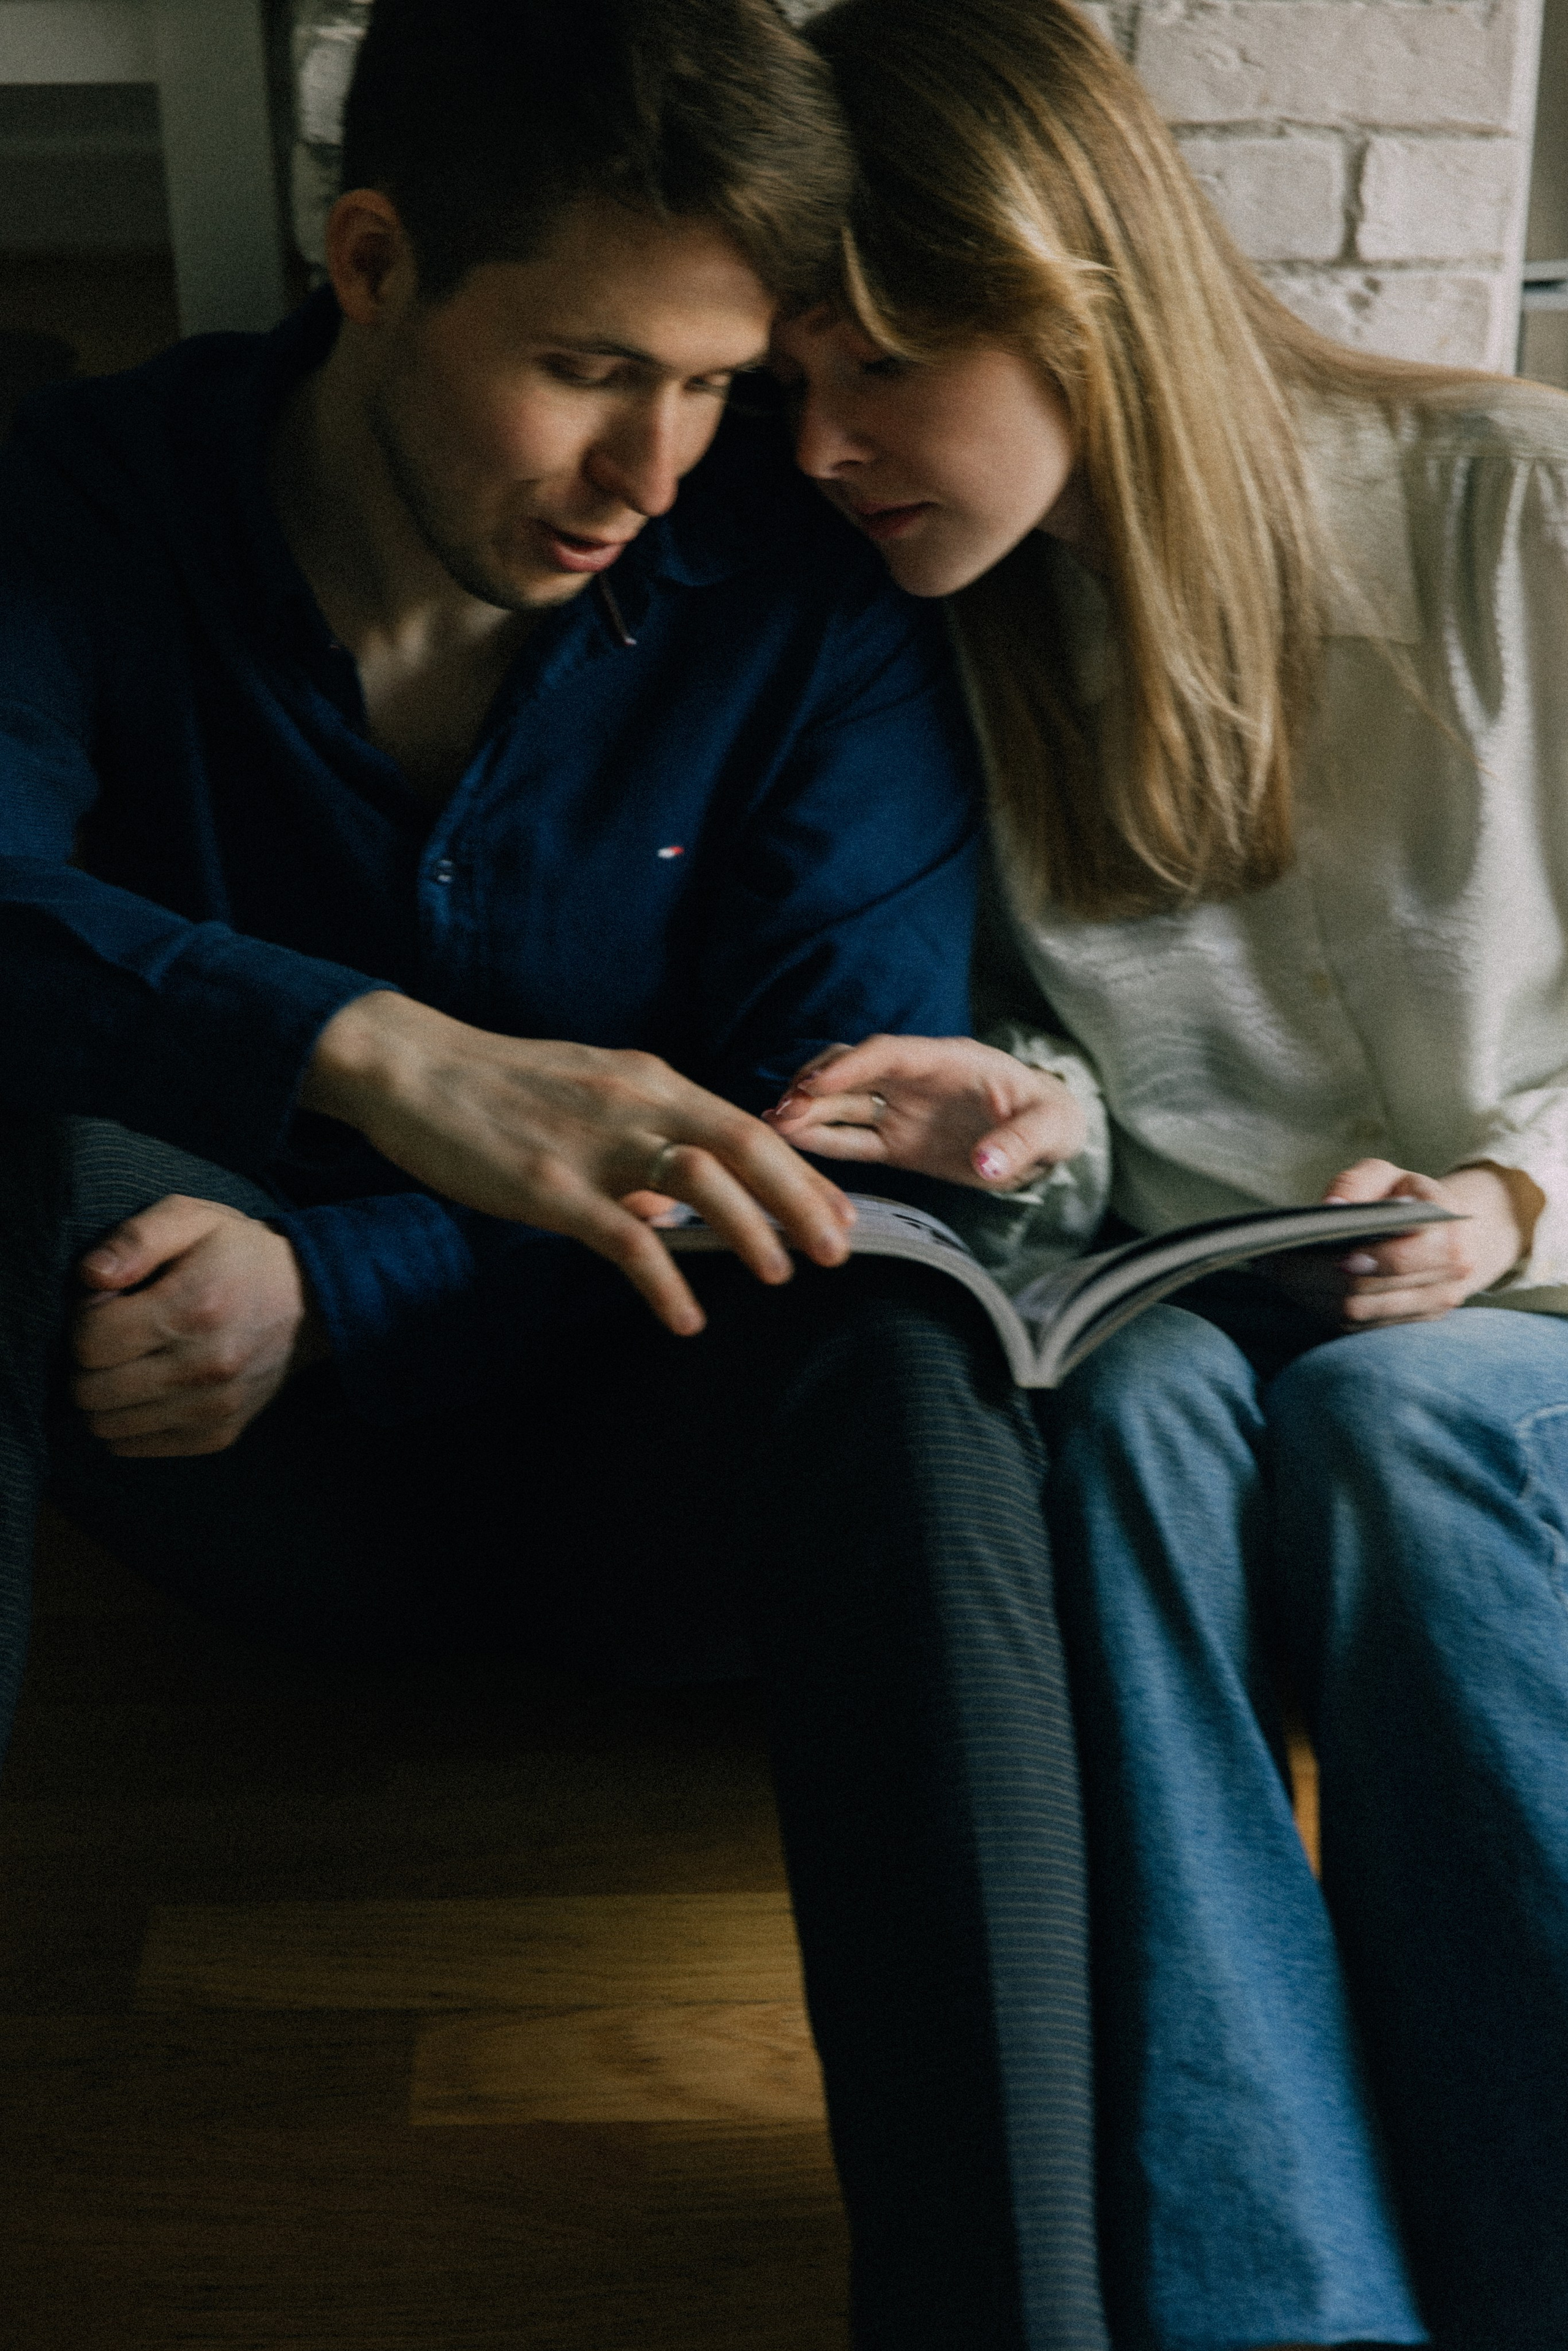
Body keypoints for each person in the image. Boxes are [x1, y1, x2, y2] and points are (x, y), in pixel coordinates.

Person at [0, 3, 1112, 2342]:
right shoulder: (81, 501)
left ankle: (1006, 2310)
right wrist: (381, 1057)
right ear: (376, 257)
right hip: (197, 1432)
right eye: (599, 367)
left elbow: (811, 1127)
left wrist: (351, 1267)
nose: (665, 461)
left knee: (903, 1317)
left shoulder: (797, 603)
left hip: (659, 1468)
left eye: (715, 383)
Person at [771, 2, 1568, 2347]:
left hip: (1523, 1332)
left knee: (1400, 1420)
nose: (816, 452)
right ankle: (1276, 2309)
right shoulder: (958, 652)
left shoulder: (1512, 504)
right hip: (1238, 1333)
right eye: (787, 384)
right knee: (1117, 1430)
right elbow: (1149, 1126)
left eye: (877, 368)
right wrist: (1038, 1125)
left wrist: (1518, 1205)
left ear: (1070, 287)